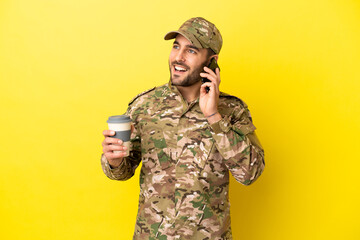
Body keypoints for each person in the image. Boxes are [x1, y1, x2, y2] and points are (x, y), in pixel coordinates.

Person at [101, 17, 265, 240]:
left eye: (191, 50)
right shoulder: (144, 106)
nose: (178, 57)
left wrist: (214, 116)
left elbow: (249, 174)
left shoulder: (232, 110)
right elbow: (123, 171)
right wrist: (114, 160)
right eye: (176, 46)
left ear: (212, 61)